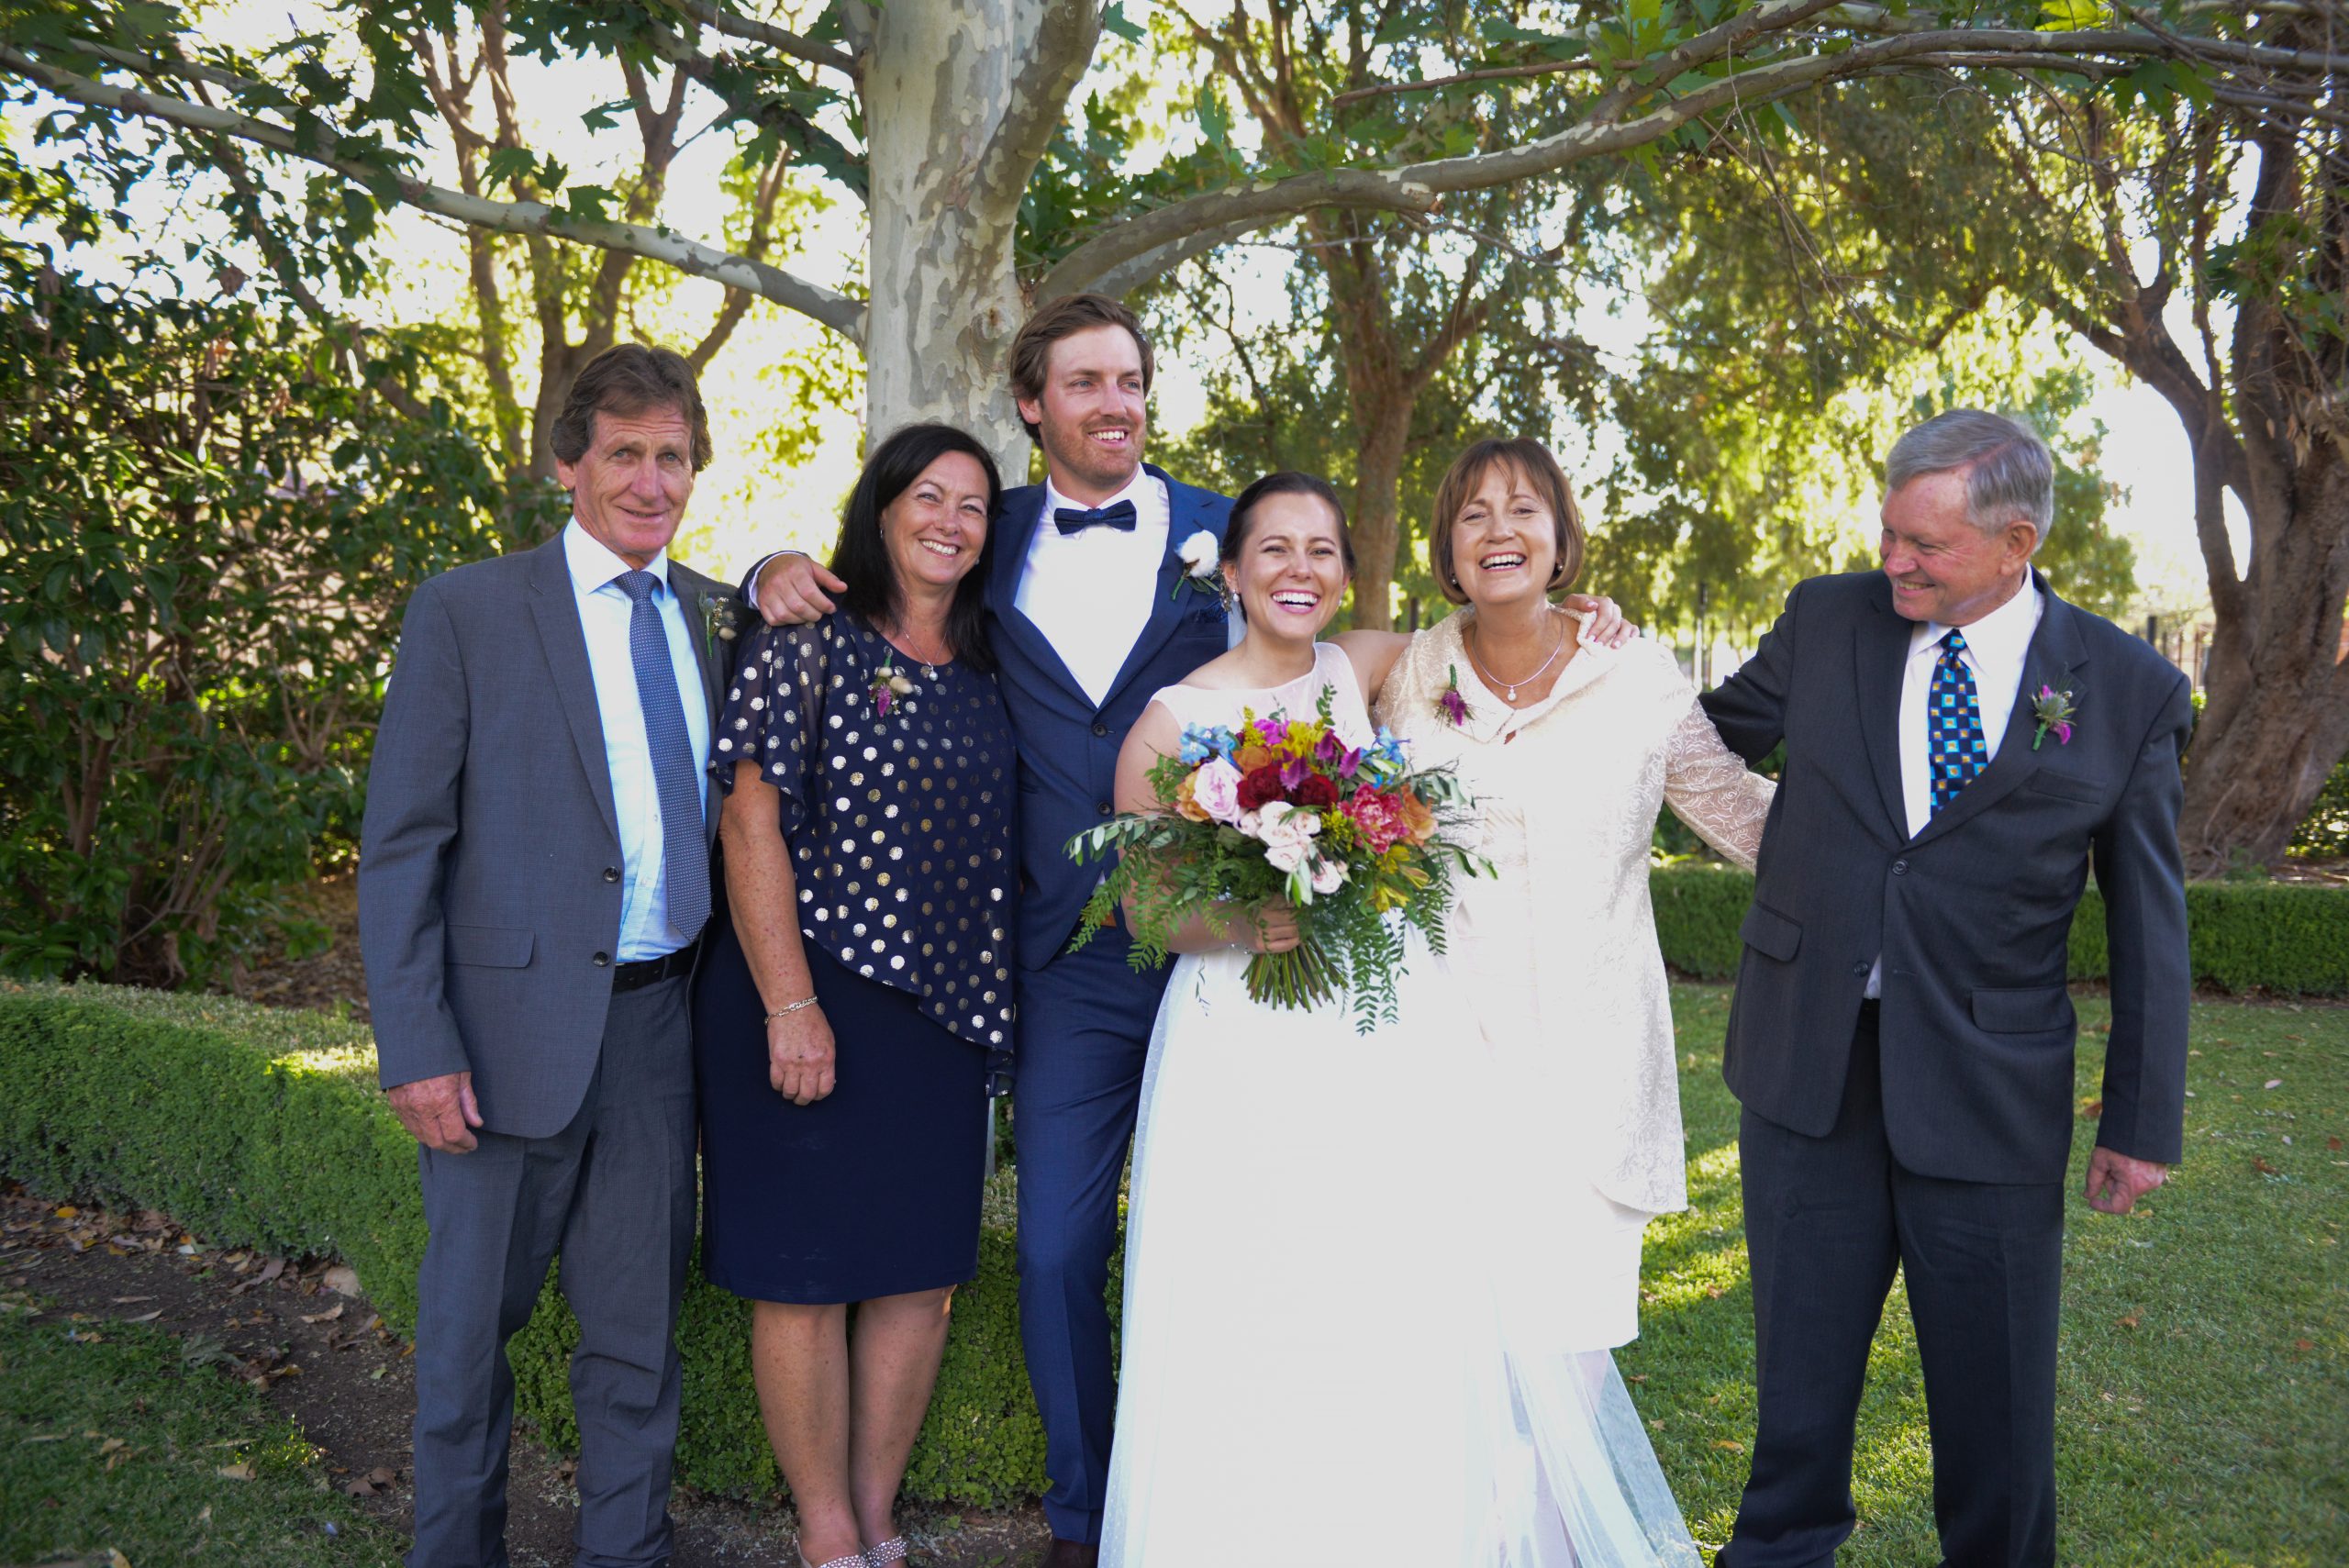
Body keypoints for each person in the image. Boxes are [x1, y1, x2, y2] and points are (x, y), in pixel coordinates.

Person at [744, 295, 1636, 1564]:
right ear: (1035, 402)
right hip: (1075, 955)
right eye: (1087, 381)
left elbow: (1436, 642)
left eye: (1134, 380)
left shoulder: (1229, 528)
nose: (1116, 402)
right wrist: (770, 567)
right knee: (1056, 1243)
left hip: (1301, 981)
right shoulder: (979, 531)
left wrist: (1577, 615)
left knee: (1329, 1236)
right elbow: (884, 568)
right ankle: (1089, 1512)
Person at [1101, 473, 1713, 1565]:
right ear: (1228, 570)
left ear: (1346, 574)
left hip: (1383, 1039)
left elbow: (1499, 629)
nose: (1299, 569)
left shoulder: (1373, 667)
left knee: (1389, 1302)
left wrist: (1594, 618)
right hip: (1241, 1045)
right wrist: (1254, 909)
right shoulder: (1169, 723)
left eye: (1322, 550)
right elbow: (1148, 907)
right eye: (1274, 550)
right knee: (1254, 1293)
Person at [1698, 410, 2192, 1568]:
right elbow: (1690, 736)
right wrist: (1579, 663)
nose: (1894, 561)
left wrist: (2138, 1120)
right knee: (1797, 1402)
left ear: (2016, 539)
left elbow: (2148, 924)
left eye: (1925, 543)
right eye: (1887, 533)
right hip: (1805, 1070)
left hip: (1988, 1091)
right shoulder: (1827, 622)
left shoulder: (2125, 689)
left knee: (1996, 1413)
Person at [359, 344, 726, 1568]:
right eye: (624, 452)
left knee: (637, 1346)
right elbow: (404, 844)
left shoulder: (711, 617)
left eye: (672, 455)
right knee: (466, 1348)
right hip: (502, 1043)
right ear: (569, 462)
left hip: (658, 1035)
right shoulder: (468, 607)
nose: (650, 479)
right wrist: (416, 1046)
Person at [695, 423, 1017, 1568]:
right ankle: (824, 1535)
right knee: (802, 1274)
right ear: (879, 509)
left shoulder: (993, 661)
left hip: (946, 1007)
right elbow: (749, 820)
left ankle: (877, 1519)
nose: (948, 520)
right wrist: (790, 1002)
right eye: (926, 495)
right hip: (806, 990)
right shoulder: (807, 635)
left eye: (973, 505)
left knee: (918, 1277)